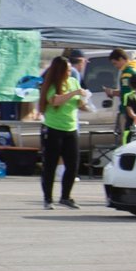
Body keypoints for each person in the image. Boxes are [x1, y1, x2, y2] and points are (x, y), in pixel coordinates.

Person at [36, 54, 86, 209]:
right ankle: (48, 199)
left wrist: (83, 101)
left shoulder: (73, 82)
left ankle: (66, 197)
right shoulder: (51, 85)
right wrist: (74, 94)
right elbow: (54, 100)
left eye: (71, 70)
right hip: (53, 128)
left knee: (73, 165)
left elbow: (78, 104)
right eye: (68, 70)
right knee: (50, 165)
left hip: (70, 128)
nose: (70, 73)